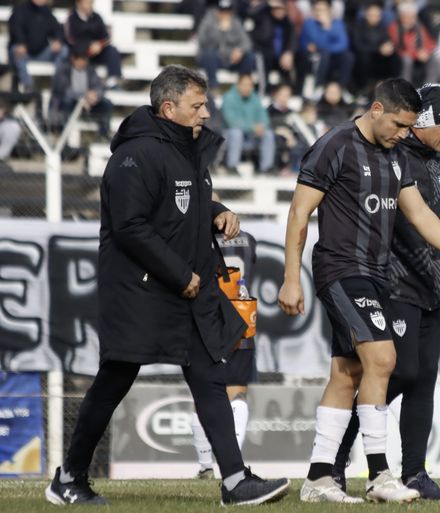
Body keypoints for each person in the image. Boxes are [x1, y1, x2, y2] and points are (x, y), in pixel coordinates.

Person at [44, 65, 289, 506]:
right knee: (114, 380)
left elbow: (179, 203)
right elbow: (131, 226)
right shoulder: (134, 155)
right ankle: (69, 477)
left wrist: (216, 210)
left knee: (211, 377)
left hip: (185, 290)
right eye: (197, 105)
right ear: (168, 107)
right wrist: (181, 275)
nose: (206, 112)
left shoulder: (185, 149)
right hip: (142, 291)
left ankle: (235, 481)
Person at [277, 78, 440, 503]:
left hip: (374, 275)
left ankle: (319, 479)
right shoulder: (334, 145)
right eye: (399, 125)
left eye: (410, 127)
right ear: (376, 109)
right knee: (385, 359)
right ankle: (380, 476)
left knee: (346, 372)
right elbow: (300, 211)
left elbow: (420, 214)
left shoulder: (396, 155)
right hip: (342, 269)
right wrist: (290, 277)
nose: (403, 134)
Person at [332, 84, 440, 500]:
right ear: (424, 121)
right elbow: (396, 224)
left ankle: (414, 472)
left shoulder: (432, 159)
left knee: (422, 381)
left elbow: (434, 218)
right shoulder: (394, 155)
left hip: (428, 281)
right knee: (400, 372)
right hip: (394, 281)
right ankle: (334, 457)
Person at [192, 226, 259, 480]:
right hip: (241, 319)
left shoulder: (196, 238)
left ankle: (206, 465)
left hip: (208, 320)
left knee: (203, 393)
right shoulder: (248, 240)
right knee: (237, 392)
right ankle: (232, 464)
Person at [49, 46, 113, 138]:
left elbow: (99, 86)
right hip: (68, 104)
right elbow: (64, 90)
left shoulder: (90, 70)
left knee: (106, 104)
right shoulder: (63, 70)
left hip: (87, 104)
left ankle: (104, 134)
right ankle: (61, 132)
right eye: (82, 59)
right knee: (67, 101)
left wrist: (95, 94)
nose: (84, 62)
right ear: (74, 59)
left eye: (85, 59)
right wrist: (84, 95)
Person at [8, 0, 68, 93]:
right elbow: (15, 28)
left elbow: (57, 29)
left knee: (63, 50)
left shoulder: (46, 11)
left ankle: (57, 85)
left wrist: (58, 40)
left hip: (41, 52)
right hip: (24, 53)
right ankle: (28, 87)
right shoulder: (21, 10)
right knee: (16, 50)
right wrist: (21, 42)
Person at [221, 73, 275, 174]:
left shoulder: (255, 98)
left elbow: (264, 118)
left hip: (250, 136)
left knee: (268, 134)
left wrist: (262, 126)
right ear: (238, 85)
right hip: (229, 136)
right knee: (236, 133)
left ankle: (266, 168)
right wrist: (252, 127)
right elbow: (232, 122)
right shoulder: (228, 98)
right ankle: (232, 166)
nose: (247, 88)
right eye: (244, 84)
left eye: (250, 85)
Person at [197, 0, 256, 89]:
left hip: (232, 59)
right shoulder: (208, 20)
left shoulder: (236, 21)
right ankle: (214, 87)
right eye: (223, 11)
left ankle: (243, 85)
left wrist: (240, 51)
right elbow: (203, 41)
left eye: (228, 11)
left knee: (249, 56)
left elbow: (247, 42)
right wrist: (219, 30)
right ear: (217, 11)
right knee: (209, 54)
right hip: (216, 59)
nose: (225, 14)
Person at [64, 0, 123, 89]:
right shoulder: (72, 18)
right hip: (80, 53)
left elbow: (106, 37)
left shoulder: (97, 17)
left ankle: (113, 81)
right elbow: (70, 39)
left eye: (91, 3)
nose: (90, 5)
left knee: (112, 50)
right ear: (79, 3)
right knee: (71, 53)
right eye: (87, 2)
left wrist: (99, 45)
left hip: (97, 52)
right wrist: (89, 45)